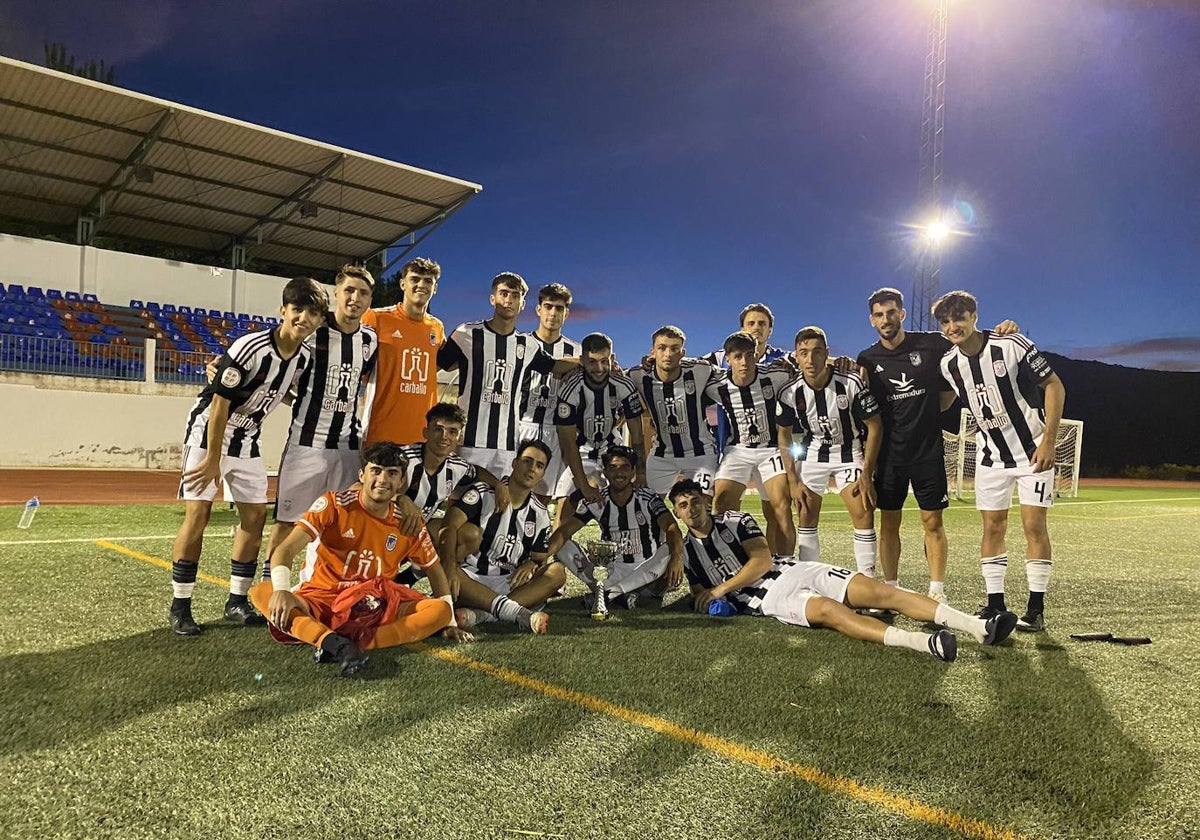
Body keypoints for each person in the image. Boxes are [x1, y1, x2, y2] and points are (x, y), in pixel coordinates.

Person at [668, 480, 1018, 661]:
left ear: (706, 501)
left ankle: (978, 626)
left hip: (793, 570)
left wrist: (718, 590)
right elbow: (699, 592)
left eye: (695, 501)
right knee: (830, 612)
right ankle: (925, 644)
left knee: (882, 592)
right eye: (683, 506)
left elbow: (761, 561)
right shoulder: (688, 555)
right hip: (769, 599)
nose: (691, 509)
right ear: (678, 514)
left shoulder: (735, 519)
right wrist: (710, 598)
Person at [169, 276, 326, 636]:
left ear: (319, 320)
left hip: (248, 437)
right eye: (297, 309)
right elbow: (221, 403)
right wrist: (211, 459)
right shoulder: (251, 346)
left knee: (255, 515)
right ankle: (181, 606)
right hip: (209, 431)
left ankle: (237, 601)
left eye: (312, 313)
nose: (303, 317)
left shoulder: (302, 359)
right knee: (198, 513)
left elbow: (280, 390)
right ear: (283, 311)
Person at [857, 287, 1019, 602]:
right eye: (879, 315)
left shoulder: (932, 345)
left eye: (891, 312)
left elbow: (968, 340)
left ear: (902, 314)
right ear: (872, 320)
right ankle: (890, 590)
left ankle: (936, 592)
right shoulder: (867, 358)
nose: (886, 319)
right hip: (889, 455)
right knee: (889, 522)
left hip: (927, 450)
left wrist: (1002, 331)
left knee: (932, 521)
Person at [250, 442, 461, 678]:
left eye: (392, 473)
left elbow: (434, 569)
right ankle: (336, 643)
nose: (383, 479)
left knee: (440, 610)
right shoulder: (333, 505)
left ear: (401, 482)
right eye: (376, 471)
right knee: (262, 593)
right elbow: (285, 549)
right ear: (362, 475)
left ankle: (348, 643)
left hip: (375, 606)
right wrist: (281, 589)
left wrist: (450, 622)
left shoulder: (408, 522)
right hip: (323, 598)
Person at [934, 290, 1066, 632]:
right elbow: (945, 400)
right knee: (992, 527)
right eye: (946, 322)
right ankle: (995, 604)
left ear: (974, 315)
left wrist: (1049, 440)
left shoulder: (1011, 344)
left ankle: (1035, 610)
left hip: (1032, 452)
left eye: (959, 318)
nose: (953, 326)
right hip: (990, 457)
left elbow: (1054, 385)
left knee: (1033, 526)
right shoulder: (949, 364)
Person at [263, 265, 378, 569]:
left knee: (342, 523)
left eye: (363, 293)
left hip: (348, 449)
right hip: (306, 444)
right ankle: (268, 587)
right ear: (337, 294)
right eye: (349, 291)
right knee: (288, 522)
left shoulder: (370, 341)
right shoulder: (313, 333)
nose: (355, 298)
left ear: (369, 300)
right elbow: (276, 359)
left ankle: (326, 583)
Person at [436, 272, 576, 478]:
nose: (508, 300)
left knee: (498, 504)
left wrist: (591, 360)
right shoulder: (466, 333)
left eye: (515, 295)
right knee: (460, 502)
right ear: (493, 299)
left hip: (507, 443)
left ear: (522, 303)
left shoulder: (527, 345)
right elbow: (440, 365)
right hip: (467, 440)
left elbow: (554, 365)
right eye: (503, 293)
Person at [777, 327, 882, 578]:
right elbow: (783, 434)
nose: (810, 359)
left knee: (863, 511)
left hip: (850, 452)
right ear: (797, 357)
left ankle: (868, 582)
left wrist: (867, 473)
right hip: (813, 455)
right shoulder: (790, 391)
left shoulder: (850, 383)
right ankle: (808, 581)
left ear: (826, 354)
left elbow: (875, 425)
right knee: (805, 513)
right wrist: (792, 480)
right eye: (804, 353)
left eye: (816, 352)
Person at [437, 439, 565, 633]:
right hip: (470, 578)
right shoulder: (483, 493)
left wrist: (531, 564)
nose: (531, 469)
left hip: (509, 582)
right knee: (448, 566)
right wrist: (449, 566)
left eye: (539, 466)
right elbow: (448, 525)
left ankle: (483, 615)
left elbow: (540, 557)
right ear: (514, 463)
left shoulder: (540, 514)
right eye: (527, 461)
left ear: (543, 474)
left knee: (557, 572)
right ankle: (517, 613)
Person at [548, 445, 684, 608]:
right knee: (561, 544)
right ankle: (619, 596)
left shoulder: (648, 497)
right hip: (611, 573)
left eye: (625, 467)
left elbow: (671, 527)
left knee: (670, 548)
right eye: (613, 468)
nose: (619, 473)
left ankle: (607, 595)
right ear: (605, 472)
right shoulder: (598, 500)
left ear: (633, 472)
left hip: (648, 572)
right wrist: (538, 560)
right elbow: (564, 531)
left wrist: (677, 558)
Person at [703, 331, 796, 557]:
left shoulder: (775, 375)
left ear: (756, 355)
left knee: (781, 508)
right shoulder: (715, 385)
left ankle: (783, 566)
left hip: (771, 449)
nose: (744, 362)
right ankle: (734, 563)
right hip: (738, 450)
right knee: (723, 506)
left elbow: (807, 365)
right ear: (728, 358)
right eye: (737, 357)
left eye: (748, 355)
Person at [626, 325, 721, 498]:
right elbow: (610, 378)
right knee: (648, 507)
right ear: (652, 352)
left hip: (701, 454)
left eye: (674, 349)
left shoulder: (702, 370)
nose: (668, 354)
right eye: (662, 348)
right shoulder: (637, 375)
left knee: (702, 511)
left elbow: (733, 378)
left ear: (682, 353)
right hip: (662, 455)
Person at [554, 332, 647, 506]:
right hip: (582, 454)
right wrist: (583, 486)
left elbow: (637, 436)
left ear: (612, 358)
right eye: (592, 362)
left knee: (627, 505)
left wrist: (641, 473)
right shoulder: (570, 390)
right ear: (582, 360)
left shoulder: (624, 385)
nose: (599, 368)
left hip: (614, 453)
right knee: (565, 506)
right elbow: (568, 444)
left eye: (604, 361)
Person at [361, 256, 444, 447]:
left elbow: (435, 365)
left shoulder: (436, 327)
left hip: (422, 438)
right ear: (402, 284)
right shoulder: (376, 318)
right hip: (380, 434)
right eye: (415, 279)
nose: (421, 285)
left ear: (435, 288)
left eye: (428, 281)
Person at [517, 283, 582, 497]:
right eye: (548, 306)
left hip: (555, 430)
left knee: (543, 494)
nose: (553, 313)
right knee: (513, 489)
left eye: (559, 308)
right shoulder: (520, 342)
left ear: (567, 313)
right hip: (521, 425)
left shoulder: (576, 350)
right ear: (538, 310)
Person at [704, 303, 789, 452]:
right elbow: (687, 365)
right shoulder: (721, 357)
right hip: (733, 445)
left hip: (773, 446)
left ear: (770, 330)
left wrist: (840, 361)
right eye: (751, 323)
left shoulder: (782, 359)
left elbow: (813, 359)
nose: (756, 327)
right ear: (742, 329)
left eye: (762, 323)